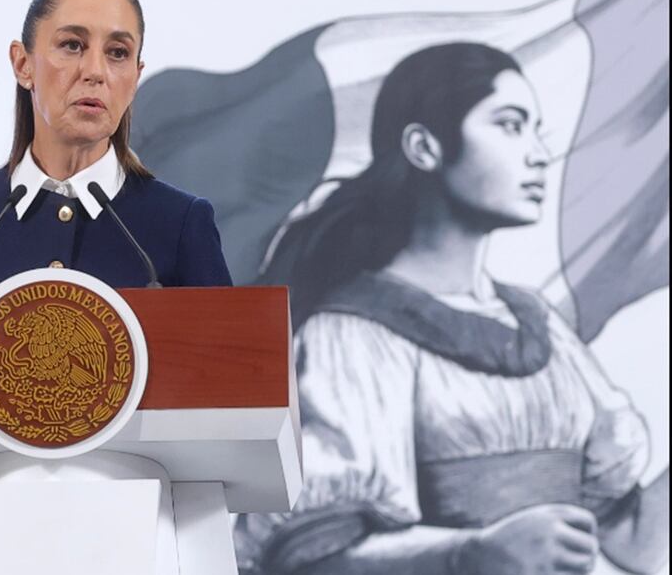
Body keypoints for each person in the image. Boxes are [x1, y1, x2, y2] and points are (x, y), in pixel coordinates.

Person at [237, 43, 669, 574]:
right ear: (424, 146)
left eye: (537, 131)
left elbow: (634, 541)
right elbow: (310, 559)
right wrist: (474, 552)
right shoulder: (353, 333)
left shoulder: (540, 327)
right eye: (510, 126)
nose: (538, 154)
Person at [0, 0, 232, 291]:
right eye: (72, 45)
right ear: (22, 64)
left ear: (135, 78)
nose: (95, 71)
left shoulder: (179, 223)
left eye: (118, 52)